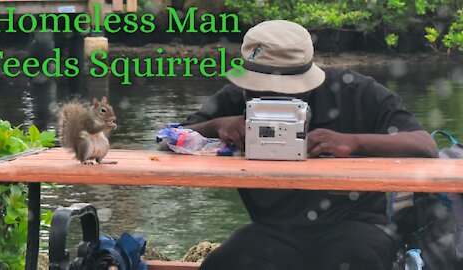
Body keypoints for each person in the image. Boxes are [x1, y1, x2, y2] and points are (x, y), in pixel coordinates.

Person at [179, 20, 438, 270]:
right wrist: (217, 126)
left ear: (308, 83)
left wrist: (351, 143)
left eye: (287, 91)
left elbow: (424, 145)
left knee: (352, 259)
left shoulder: (356, 92)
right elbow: (171, 139)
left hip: (356, 224)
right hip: (272, 229)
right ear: (246, 86)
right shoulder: (234, 99)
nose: (274, 98)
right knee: (226, 263)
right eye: (260, 91)